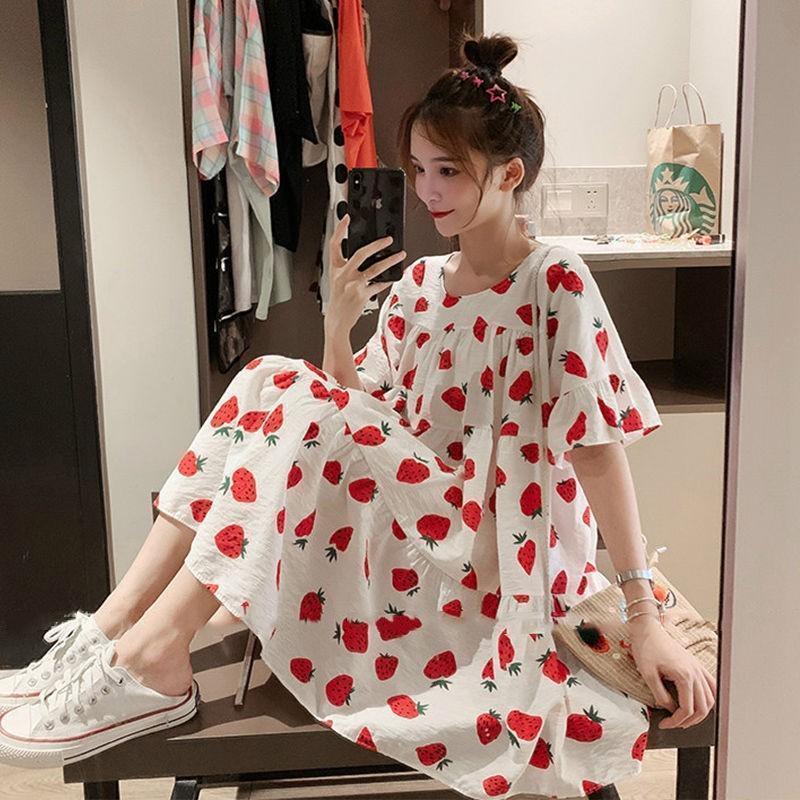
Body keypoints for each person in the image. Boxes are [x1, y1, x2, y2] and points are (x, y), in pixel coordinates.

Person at [0, 31, 715, 800]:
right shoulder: (421, 286)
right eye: (419, 169)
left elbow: (596, 450)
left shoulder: (554, 282)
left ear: (511, 174)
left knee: (288, 389)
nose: (427, 190)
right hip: (412, 522)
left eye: (449, 171)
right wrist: (338, 329)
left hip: (489, 549)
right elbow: (357, 416)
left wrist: (643, 612)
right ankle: (113, 630)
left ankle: (156, 656)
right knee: (271, 378)